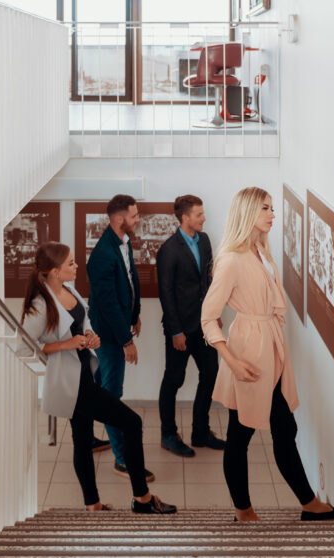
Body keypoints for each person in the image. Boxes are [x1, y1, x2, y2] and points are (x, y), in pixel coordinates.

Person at [201, 187, 334, 522]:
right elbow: (208, 317)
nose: (272, 215)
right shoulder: (231, 260)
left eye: (272, 208)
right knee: (241, 433)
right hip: (250, 352)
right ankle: (244, 510)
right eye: (265, 209)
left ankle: (309, 503)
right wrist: (232, 361)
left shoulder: (261, 252)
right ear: (248, 212)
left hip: (272, 348)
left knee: (284, 427)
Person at [20, 242, 175, 514]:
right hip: (73, 386)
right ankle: (142, 499)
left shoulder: (68, 289)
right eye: (70, 263)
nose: (76, 266)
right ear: (54, 271)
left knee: (82, 440)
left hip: (84, 375)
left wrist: (91, 336)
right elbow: (23, 348)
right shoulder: (39, 305)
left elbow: (84, 320)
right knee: (132, 423)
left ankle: (93, 505)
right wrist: (67, 344)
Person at [87, 194, 154, 482]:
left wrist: (135, 314)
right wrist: (126, 341)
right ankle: (122, 458)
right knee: (111, 396)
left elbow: (128, 281)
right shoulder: (102, 255)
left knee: (97, 388)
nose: (138, 220)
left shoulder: (123, 243)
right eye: (134, 216)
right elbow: (108, 304)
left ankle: (86, 437)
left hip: (118, 328)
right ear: (119, 219)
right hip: (109, 336)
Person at [155, 195, 224, 457]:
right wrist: (176, 332)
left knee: (211, 373)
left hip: (204, 324)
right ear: (185, 218)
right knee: (174, 380)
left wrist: (214, 313)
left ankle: (200, 432)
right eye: (199, 214)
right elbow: (166, 294)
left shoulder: (204, 240)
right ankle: (168, 435)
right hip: (181, 328)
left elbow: (208, 280)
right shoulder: (169, 250)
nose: (204, 218)